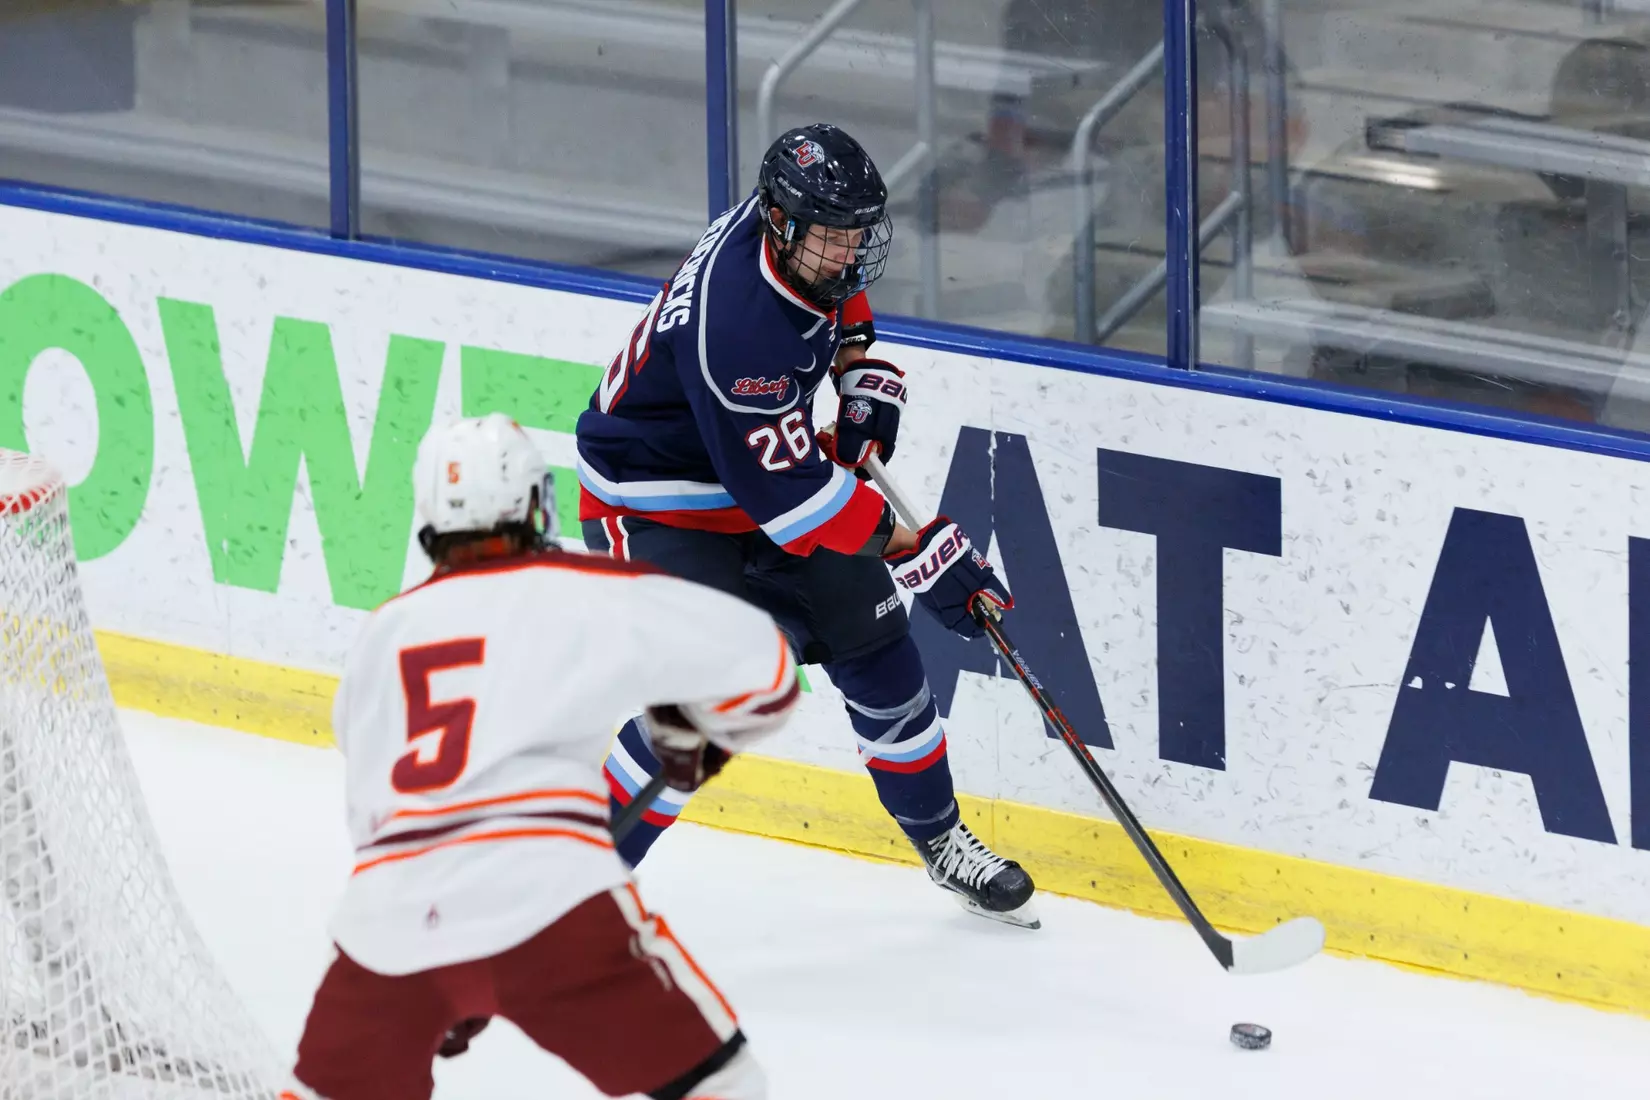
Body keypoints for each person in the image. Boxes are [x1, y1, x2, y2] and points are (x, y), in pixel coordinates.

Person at [574, 121, 1039, 928]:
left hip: (751, 476)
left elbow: (838, 295)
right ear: (783, 223)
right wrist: (918, 552)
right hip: (652, 498)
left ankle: (942, 841)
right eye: (833, 236)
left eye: (858, 233)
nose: (849, 252)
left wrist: (857, 363)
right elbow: (794, 503)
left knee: (880, 650)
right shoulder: (736, 330)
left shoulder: (787, 237)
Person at [283, 414, 797, 1100]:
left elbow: (372, 802)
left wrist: (445, 963)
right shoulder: (582, 585)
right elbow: (769, 671)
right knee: (723, 1087)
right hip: (550, 894)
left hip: (386, 921)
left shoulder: (383, 632)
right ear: (532, 503)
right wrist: (697, 731)